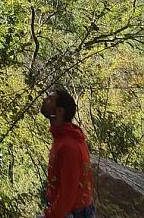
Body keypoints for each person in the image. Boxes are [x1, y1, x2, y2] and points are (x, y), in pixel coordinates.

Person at [40, 89, 95, 218]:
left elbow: (68, 193)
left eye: (50, 99)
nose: (44, 100)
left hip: (74, 213)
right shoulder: (63, 137)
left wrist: (51, 214)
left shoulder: (69, 146)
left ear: (59, 111)